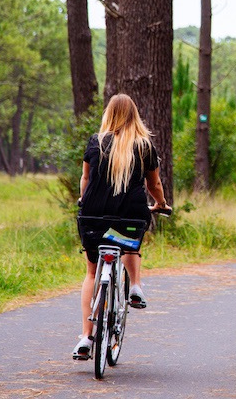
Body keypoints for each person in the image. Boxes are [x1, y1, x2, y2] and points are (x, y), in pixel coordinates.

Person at [72, 94, 168, 360]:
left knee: (92, 273)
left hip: (93, 215)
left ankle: (85, 337)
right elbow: (154, 185)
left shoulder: (96, 141)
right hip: (131, 214)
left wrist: (83, 199)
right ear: (134, 115)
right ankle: (135, 286)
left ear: (109, 114)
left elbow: (86, 178)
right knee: (129, 243)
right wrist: (160, 204)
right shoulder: (144, 145)